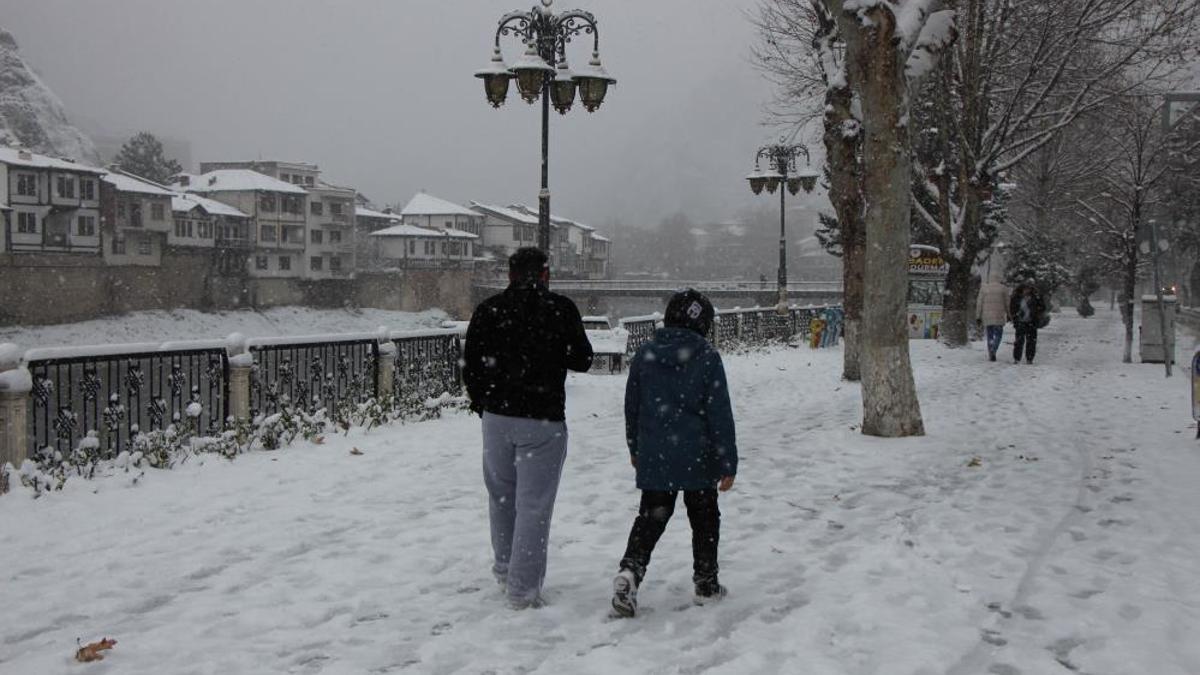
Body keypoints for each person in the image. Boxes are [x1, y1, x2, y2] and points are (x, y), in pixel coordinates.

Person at [463, 247, 594, 609]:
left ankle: (505, 569)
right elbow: (583, 360)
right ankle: (522, 590)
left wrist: (483, 402)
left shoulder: (489, 310)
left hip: (497, 418)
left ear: (510, 275)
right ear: (545, 275)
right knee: (534, 505)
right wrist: (553, 349)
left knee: (501, 497)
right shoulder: (561, 309)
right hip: (543, 418)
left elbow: (471, 364)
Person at [610, 289, 738, 618]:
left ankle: (630, 571)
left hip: (656, 454)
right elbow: (719, 413)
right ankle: (706, 583)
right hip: (699, 456)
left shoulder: (646, 352)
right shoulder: (707, 356)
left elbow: (632, 407)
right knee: (705, 520)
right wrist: (727, 461)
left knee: (651, 519)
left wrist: (635, 447)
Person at [1009, 282, 1046, 364]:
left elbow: (1042, 307)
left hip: (1032, 322)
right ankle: (1017, 358)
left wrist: (1037, 313)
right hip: (1020, 322)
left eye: (1028, 289)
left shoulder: (1036, 297)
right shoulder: (1016, 297)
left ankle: (1029, 358)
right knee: (1019, 341)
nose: (1026, 290)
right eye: (1025, 289)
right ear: (1021, 289)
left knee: (1031, 342)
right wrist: (1015, 317)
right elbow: (1012, 308)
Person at [976, 280, 1011, 361]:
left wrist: (978, 316)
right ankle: (994, 349)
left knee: (990, 335)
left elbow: (979, 303)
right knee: (998, 335)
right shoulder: (1003, 288)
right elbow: (1007, 303)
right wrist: (1009, 314)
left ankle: (991, 350)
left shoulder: (984, 288)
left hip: (987, 316)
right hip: (999, 315)